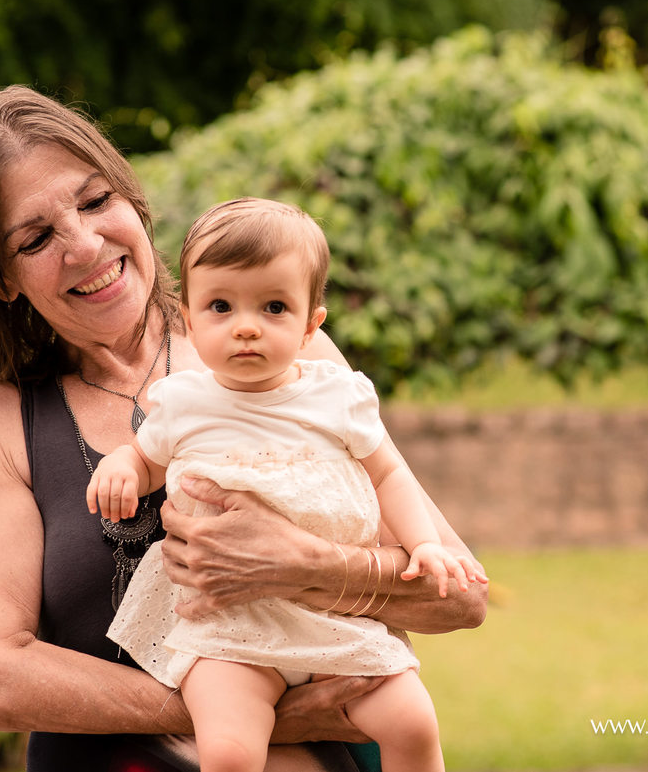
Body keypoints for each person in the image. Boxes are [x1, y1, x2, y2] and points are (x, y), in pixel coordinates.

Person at [0, 84, 488, 772]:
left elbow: (460, 595)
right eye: (36, 238)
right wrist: (246, 708)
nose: (85, 242)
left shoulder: (289, 356)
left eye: (98, 200)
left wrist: (308, 566)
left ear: (133, 200)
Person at [87, 197, 487, 772]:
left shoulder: (336, 397)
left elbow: (389, 473)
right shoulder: (182, 404)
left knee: (414, 723)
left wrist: (423, 544)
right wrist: (122, 466)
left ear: (310, 325)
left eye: (274, 307)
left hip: (333, 619)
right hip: (225, 622)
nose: (246, 326)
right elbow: (143, 459)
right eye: (221, 306)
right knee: (228, 753)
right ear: (191, 320)